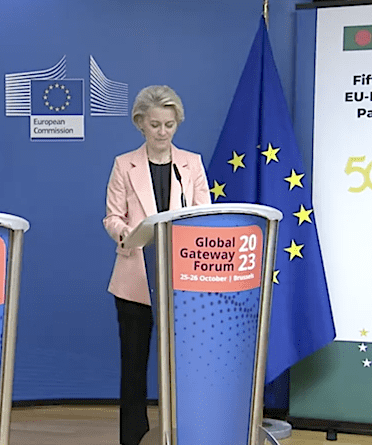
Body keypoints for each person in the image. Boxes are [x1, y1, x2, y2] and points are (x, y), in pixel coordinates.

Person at [103, 85, 211, 445]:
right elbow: (112, 217)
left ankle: (185, 431)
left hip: (181, 281)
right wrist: (128, 233)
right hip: (135, 278)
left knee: (184, 366)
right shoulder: (124, 164)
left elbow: (203, 215)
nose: (162, 132)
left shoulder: (191, 164)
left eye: (169, 124)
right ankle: (132, 436)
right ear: (140, 125)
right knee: (134, 366)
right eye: (155, 125)